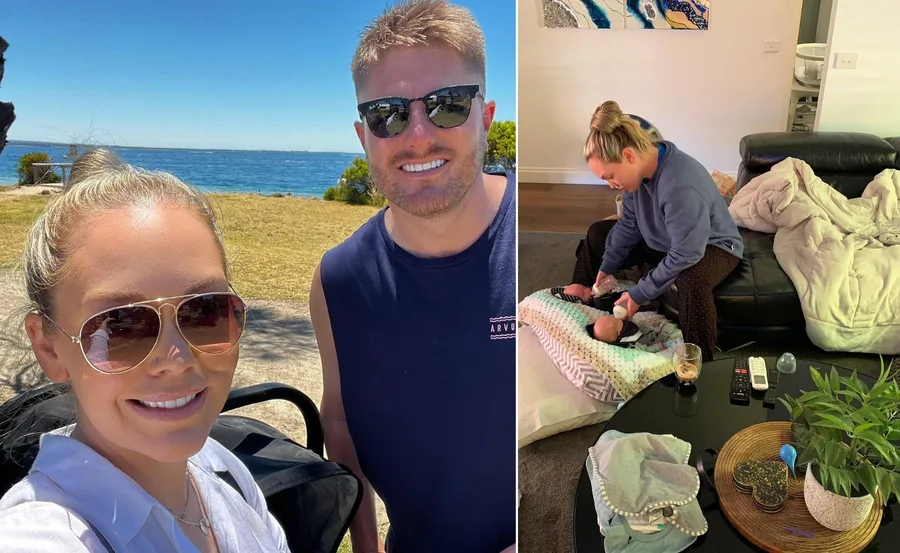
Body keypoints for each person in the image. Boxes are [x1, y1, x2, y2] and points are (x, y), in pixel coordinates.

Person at [0, 150, 290, 552]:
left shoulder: (226, 473)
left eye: (204, 310)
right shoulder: (43, 536)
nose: (177, 358)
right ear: (48, 347)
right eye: (120, 325)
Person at [309, 1, 515, 552]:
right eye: (388, 113)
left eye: (447, 105)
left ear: (485, 116)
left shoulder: (536, 249)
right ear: (363, 135)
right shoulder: (338, 282)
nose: (418, 135)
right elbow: (341, 427)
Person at [563, 100, 744, 362]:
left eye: (610, 176)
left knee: (691, 281)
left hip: (711, 246)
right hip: (666, 240)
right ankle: (585, 288)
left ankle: (699, 361)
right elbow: (629, 222)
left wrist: (639, 294)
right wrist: (608, 266)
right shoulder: (636, 176)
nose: (611, 184)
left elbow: (686, 252)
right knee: (599, 233)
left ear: (627, 156)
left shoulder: (680, 186)